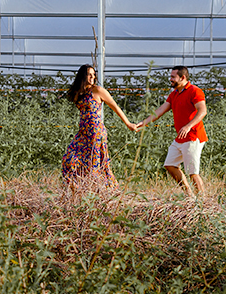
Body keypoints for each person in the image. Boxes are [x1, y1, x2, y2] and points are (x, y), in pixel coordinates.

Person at [60, 64, 137, 196]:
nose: (92, 77)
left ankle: (102, 193)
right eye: (89, 74)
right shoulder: (79, 92)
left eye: (94, 75)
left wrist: (128, 123)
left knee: (96, 164)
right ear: (82, 76)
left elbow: (115, 106)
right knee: (69, 159)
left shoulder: (98, 90)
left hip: (96, 132)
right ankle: (77, 189)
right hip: (83, 132)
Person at [137, 66, 208, 198]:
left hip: (193, 137)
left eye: (173, 77)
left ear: (183, 78)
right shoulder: (174, 94)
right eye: (170, 77)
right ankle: (190, 195)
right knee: (169, 165)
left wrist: (188, 126)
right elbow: (159, 111)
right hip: (180, 138)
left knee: (193, 172)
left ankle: (204, 202)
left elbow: (202, 111)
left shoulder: (195, 91)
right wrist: (143, 123)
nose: (170, 79)